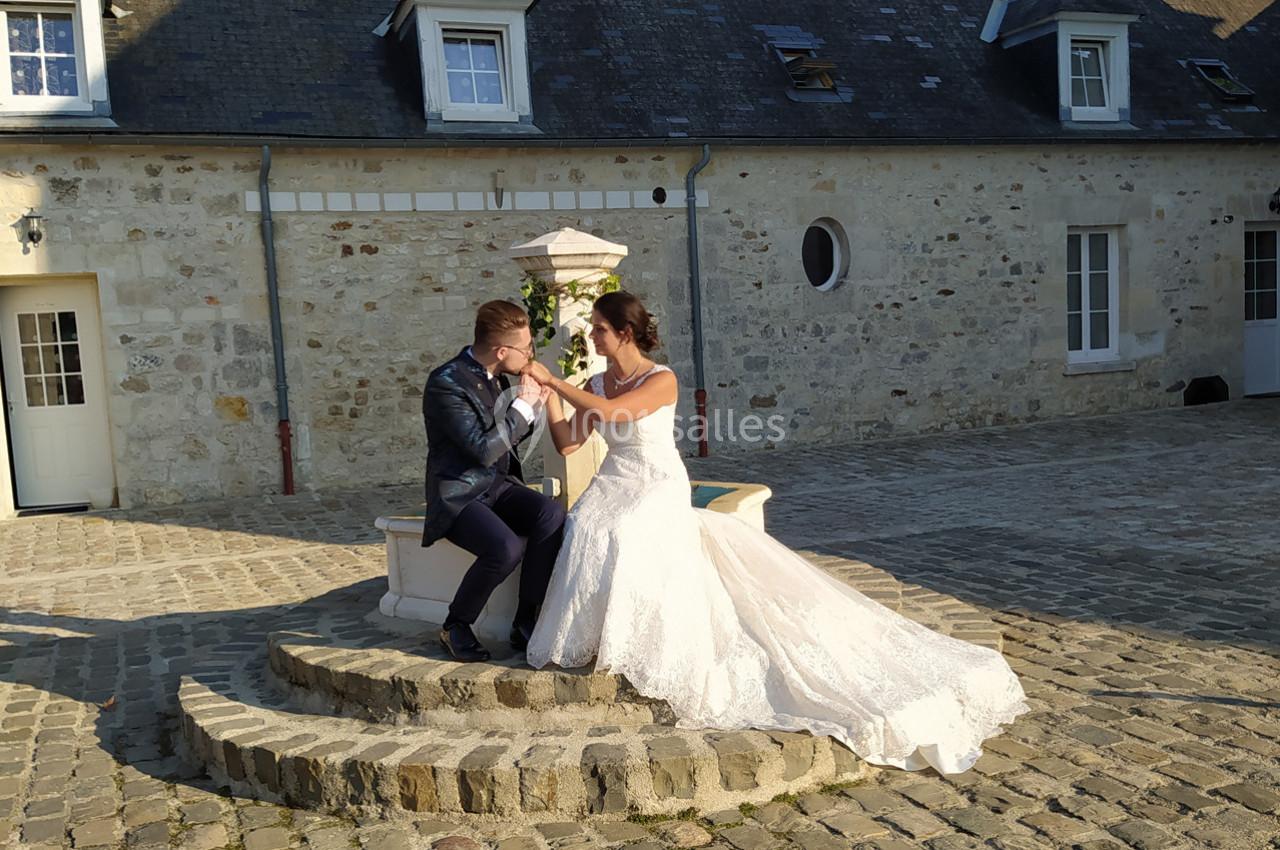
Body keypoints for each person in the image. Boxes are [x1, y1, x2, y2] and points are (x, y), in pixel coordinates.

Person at [518, 290, 1029, 774]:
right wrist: (549, 399)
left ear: (625, 333)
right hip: (616, 479)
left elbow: (616, 414)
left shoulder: (661, 379)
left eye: (600, 330)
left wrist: (555, 380)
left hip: (655, 482)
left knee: (627, 530)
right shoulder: (596, 383)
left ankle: (638, 643)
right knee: (587, 522)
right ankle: (600, 637)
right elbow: (568, 443)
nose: (593, 337)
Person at [421, 300, 566, 663]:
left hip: (499, 486)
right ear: (502, 351)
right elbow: (483, 450)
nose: (530, 355)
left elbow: (507, 439)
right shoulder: (445, 383)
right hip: (460, 494)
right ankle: (455, 625)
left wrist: (533, 407)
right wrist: (523, 408)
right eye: (526, 348)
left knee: (550, 514)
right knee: (505, 548)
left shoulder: (497, 376)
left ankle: (526, 620)